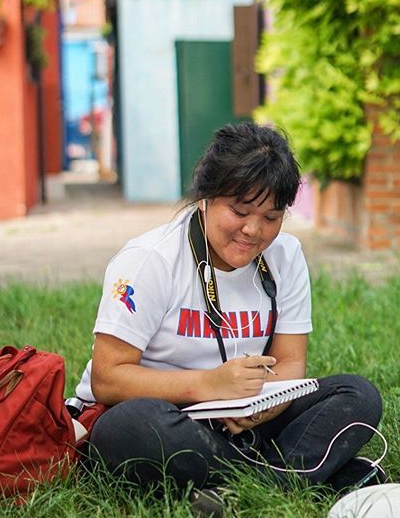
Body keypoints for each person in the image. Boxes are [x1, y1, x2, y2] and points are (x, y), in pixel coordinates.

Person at [76, 121, 383, 498]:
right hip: (168, 416)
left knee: (358, 395)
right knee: (131, 428)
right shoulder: (150, 259)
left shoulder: (285, 256)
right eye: (239, 211)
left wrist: (265, 406)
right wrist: (207, 386)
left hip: (242, 420)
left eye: (271, 217)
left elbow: (289, 366)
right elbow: (107, 379)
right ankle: (296, 474)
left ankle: (240, 487)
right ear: (205, 199)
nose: (254, 231)